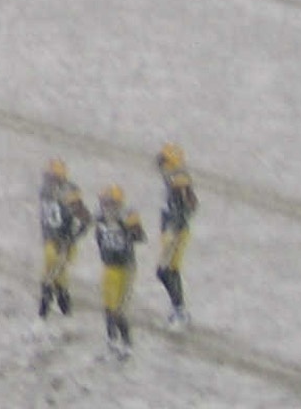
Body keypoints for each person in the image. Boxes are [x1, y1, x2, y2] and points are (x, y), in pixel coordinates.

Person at [93, 186, 146, 359]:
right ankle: (111, 342)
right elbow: (99, 238)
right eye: (104, 203)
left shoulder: (126, 217)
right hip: (109, 266)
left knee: (120, 309)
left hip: (125, 268)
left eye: (109, 203)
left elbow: (140, 237)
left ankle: (127, 343)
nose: (105, 207)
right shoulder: (100, 218)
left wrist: (129, 226)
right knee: (109, 306)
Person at [37, 158, 93, 323]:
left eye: (51, 177)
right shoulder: (45, 190)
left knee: (50, 276)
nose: (48, 180)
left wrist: (73, 237)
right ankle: (64, 309)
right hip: (50, 239)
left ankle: (44, 314)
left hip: (63, 243)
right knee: (57, 277)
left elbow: (86, 220)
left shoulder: (69, 193)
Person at [156, 143, 200, 329]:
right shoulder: (174, 179)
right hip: (172, 231)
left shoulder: (178, 182)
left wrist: (173, 229)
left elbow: (189, 206)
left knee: (165, 271)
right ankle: (178, 309)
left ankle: (180, 311)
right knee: (169, 270)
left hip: (176, 232)